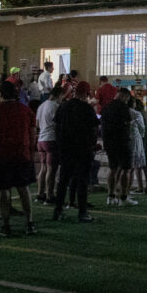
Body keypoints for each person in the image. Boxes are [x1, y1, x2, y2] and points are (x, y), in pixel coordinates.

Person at [0, 80, 38, 237]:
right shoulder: (26, 111)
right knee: (24, 189)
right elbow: (32, 135)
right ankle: (30, 223)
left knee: (4, 191)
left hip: (0, 156)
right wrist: (30, 153)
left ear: (0, 93)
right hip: (22, 155)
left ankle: (6, 225)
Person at [53, 81, 98, 222]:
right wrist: (92, 144)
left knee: (63, 180)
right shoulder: (87, 108)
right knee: (82, 181)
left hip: (66, 149)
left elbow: (56, 126)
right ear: (86, 93)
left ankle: (58, 210)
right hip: (82, 150)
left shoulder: (63, 107)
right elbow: (94, 130)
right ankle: (82, 212)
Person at [102, 88, 134, 203]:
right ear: (124, 97)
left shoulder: (106, 107)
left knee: (113, 168)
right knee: (126, 169)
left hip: (109, 142)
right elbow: (128, 123)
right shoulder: (123, 108)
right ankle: (123, 196)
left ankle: (110, 195)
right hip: (122, 142)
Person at [34, 86, 63, 203]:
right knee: (52, 169)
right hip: (51, 140)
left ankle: (40, 194)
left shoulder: (41, 105)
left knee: (43, 168)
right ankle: (49, 195)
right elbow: (59, 124)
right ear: (58, 95)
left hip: (41, 139)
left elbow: (37, 123)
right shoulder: (56, 106)